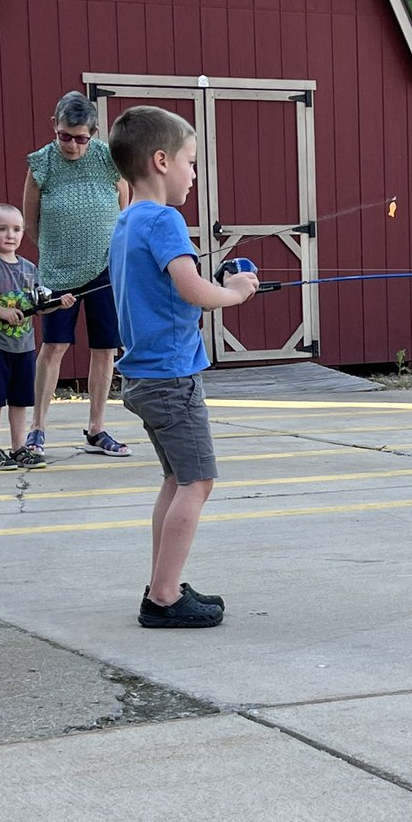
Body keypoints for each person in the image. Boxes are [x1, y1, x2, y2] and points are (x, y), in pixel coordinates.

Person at [108, 105, 259, 629]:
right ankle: (165, 598)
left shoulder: (126, 221)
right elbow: (192, 290)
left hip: (146, 376)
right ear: (161, 160)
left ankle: (161, 583)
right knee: (197, 483)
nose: (195, 175)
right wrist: (235, 292)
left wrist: (206, 283)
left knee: (176, 480)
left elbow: (165, 288)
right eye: (191, 163)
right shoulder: (165, 219)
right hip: (171, 378)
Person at [22, 90, 131, 459]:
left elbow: (123, 198)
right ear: (54, 126)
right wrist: (53, 251)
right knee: (54, 347)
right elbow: (30, 219)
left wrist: (111, 239)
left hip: (104, 269)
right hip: (57, 271)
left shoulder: (106, 158)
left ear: (94, 133)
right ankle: (36, 429)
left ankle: (97, 428)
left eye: (81, 138)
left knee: (104, 348)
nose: (72, 144)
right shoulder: (41, 163)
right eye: (65, 136)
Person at [0, 204, 74, 470]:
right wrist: (0, 311)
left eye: (16, 229)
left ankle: (18, 448)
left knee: (20, 399)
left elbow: (40, 303)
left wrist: (60, 303)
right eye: (2, 229)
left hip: (23, 346)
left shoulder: (29, 268)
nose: (10, 235)